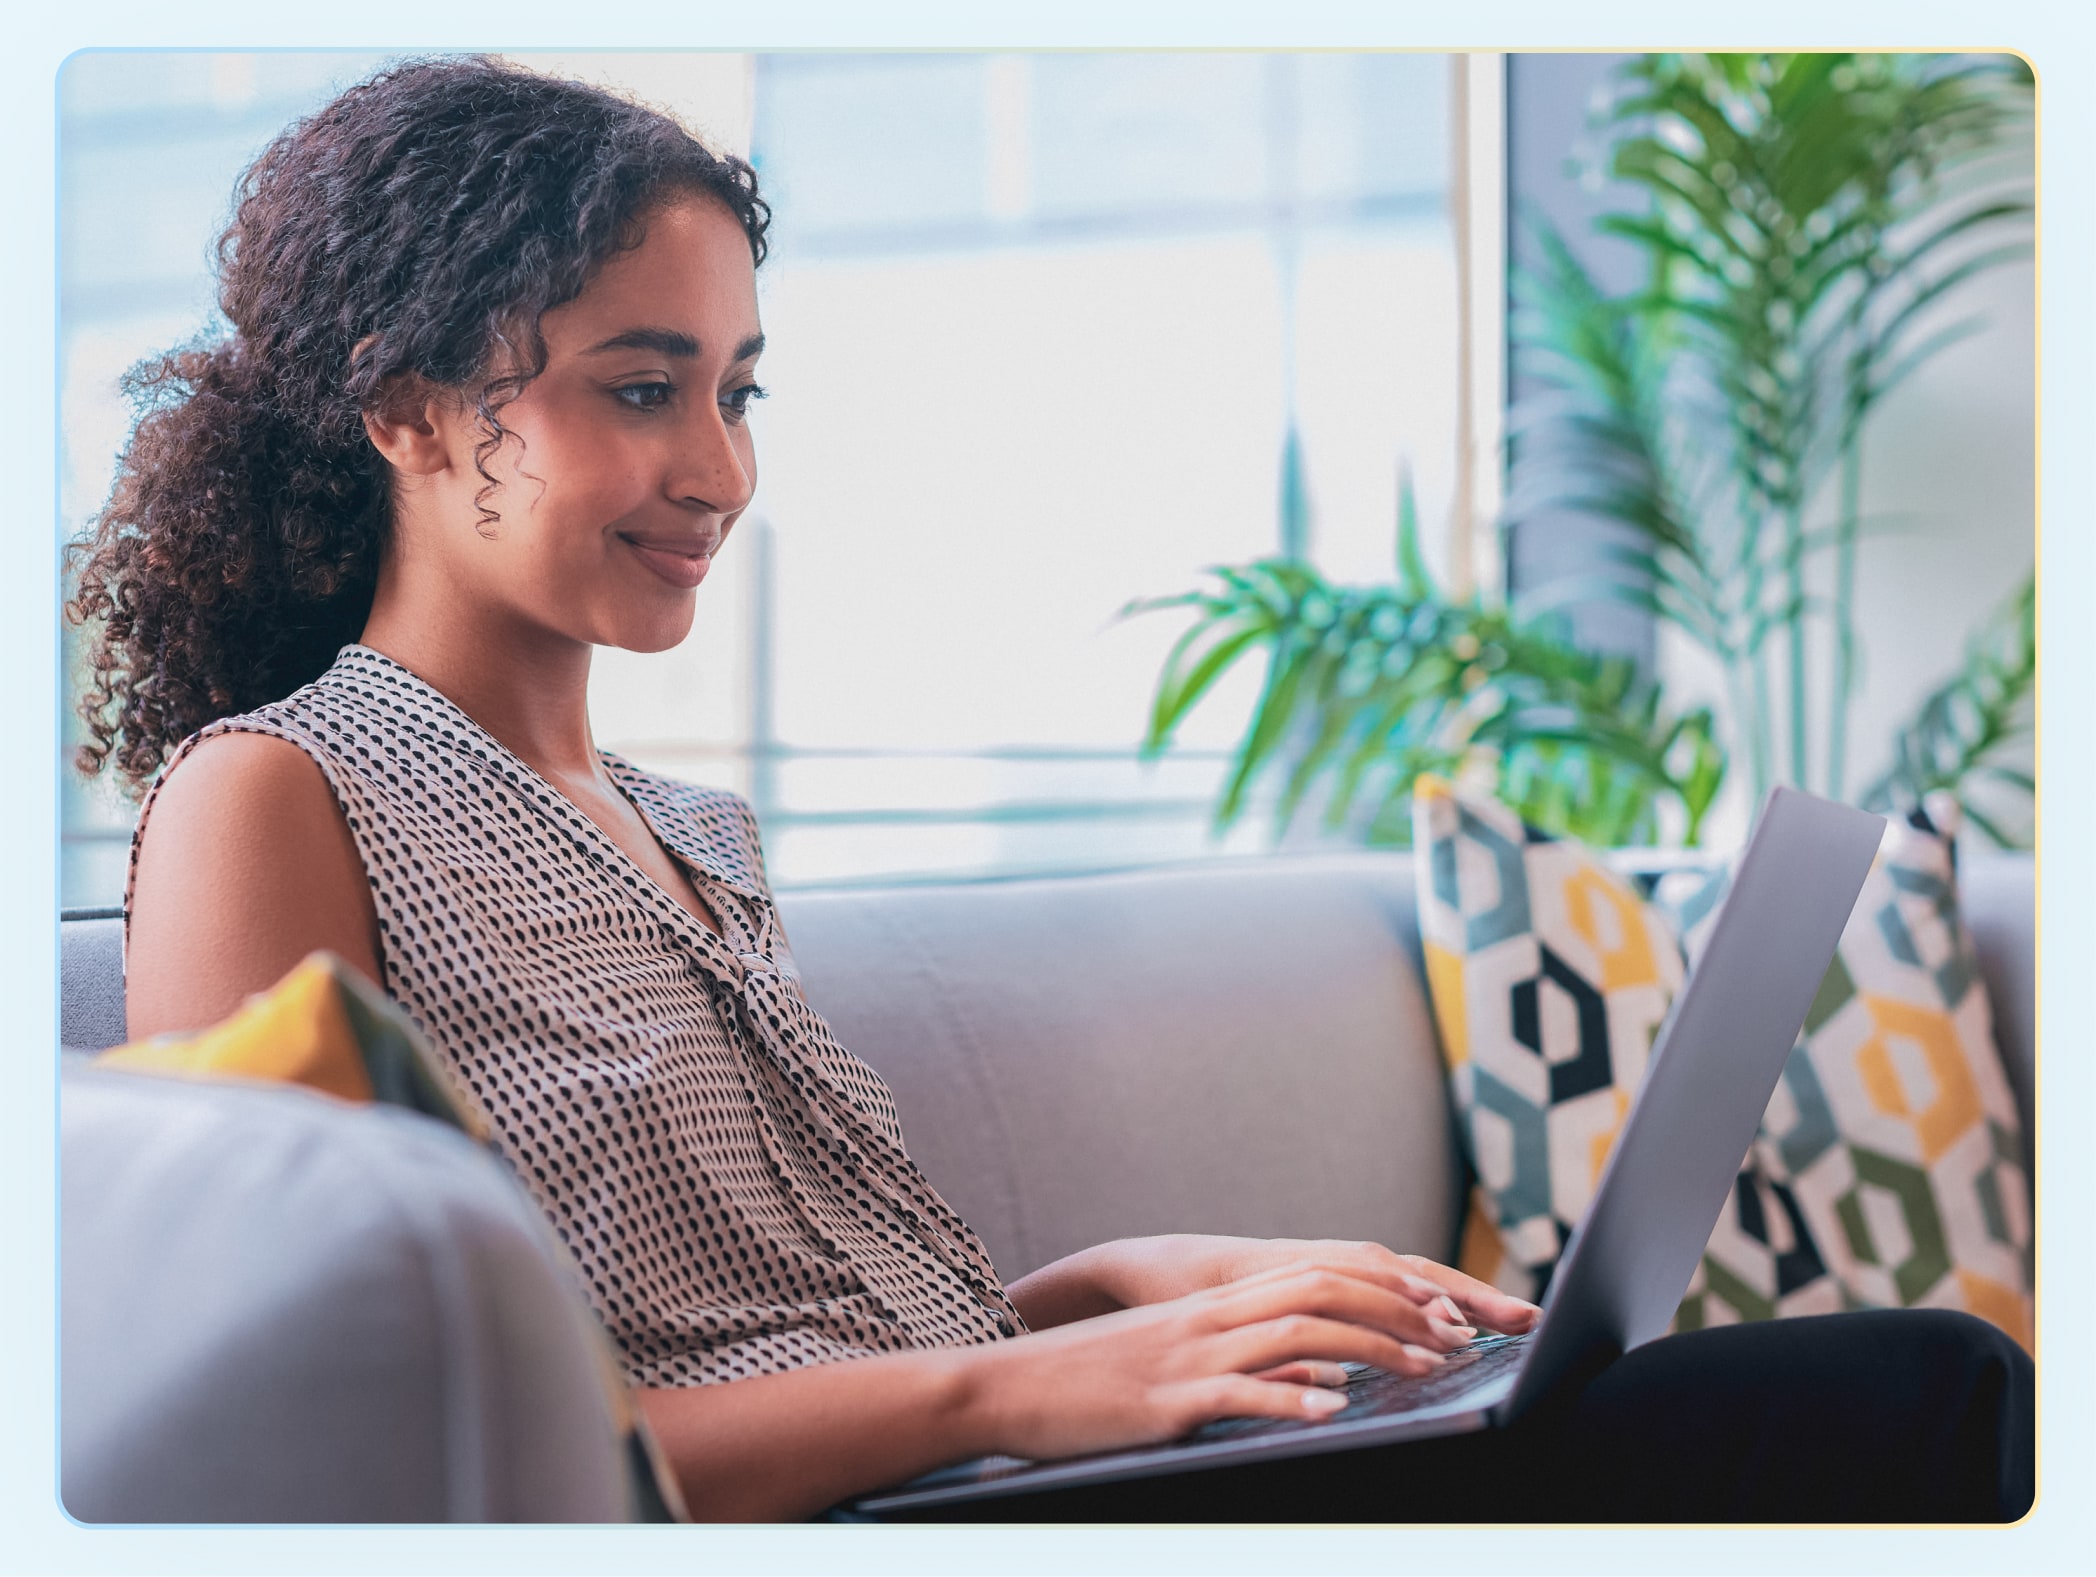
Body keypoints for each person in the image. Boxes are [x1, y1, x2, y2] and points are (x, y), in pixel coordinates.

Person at [72, 56, 2033, 1525]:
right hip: (894, 1520)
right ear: (408, 408)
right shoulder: (278, 798)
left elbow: (771, 1322)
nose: (721, 471)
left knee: (1829, 1404)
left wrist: (1106, 1296)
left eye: (738, 391)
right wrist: (1024, 1391)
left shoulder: (684, 835)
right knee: (1923, 1393)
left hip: (981, 1480)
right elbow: (350, 1463)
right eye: (639, 385)